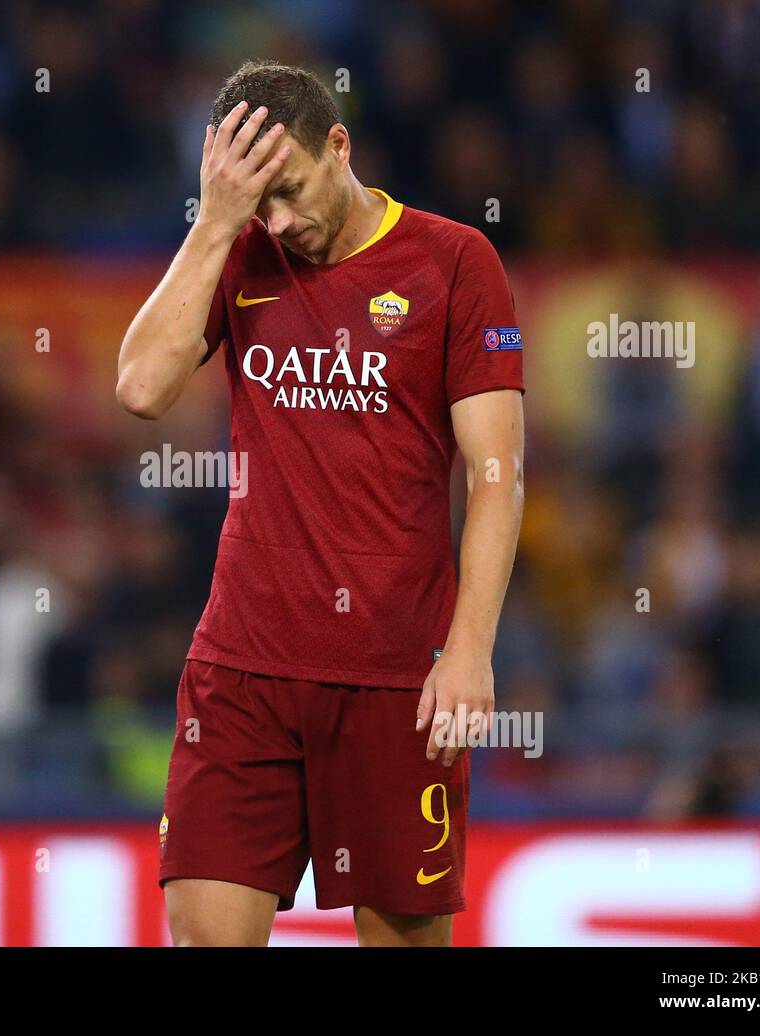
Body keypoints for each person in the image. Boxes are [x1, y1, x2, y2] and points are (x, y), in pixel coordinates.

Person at [116, 61, 525, 947]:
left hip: (395, 679)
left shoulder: (455, 262)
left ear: (339, 144)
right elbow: (142, 387)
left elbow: (498, 475)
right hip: (243, 670)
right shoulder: (238, 251)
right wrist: (216, 224)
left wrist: (471, 650)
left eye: (291, 191)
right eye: (260, 203)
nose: (283, 222)